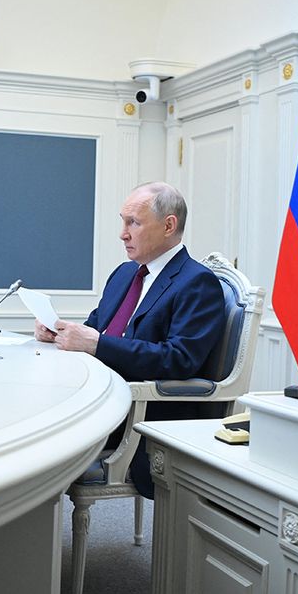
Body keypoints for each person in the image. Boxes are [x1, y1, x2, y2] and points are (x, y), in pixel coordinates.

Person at [36, 181, 226, 498]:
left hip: (142, 416)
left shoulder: (198, 282)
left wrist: (96, 344)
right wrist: (59, 333)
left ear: (169, 225)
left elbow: (178, 360)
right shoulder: (125, 273)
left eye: (133, 223)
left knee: (40, 435)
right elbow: (96, 328)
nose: (122, 233)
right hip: (101, 398)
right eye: (123, 221)